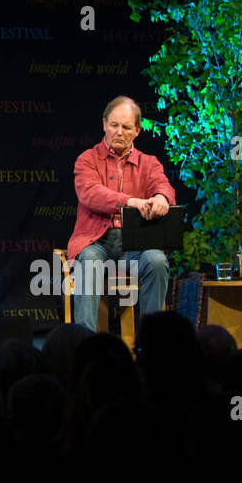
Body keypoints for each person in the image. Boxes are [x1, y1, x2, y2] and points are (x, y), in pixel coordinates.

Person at [66, 95, 174, 334]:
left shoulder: (149, 163)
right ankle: (85, 344)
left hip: (135, 244)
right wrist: (131, 202)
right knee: (90, 262)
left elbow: (164, 186)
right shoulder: (87, 160)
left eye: (126, 127)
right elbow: (91, 194)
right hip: (96, 241)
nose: (119, 132)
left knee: (156, 261)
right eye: (114, 125)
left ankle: (152, 343)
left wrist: (161, 198)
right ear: (104, 124)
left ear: (137, 130)